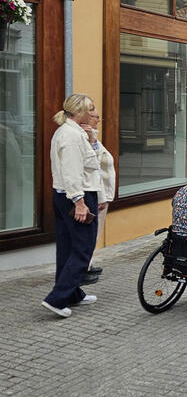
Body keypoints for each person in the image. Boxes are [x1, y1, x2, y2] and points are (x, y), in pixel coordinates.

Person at [41, 94, 103, 318]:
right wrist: (79, 202)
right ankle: (56, 299)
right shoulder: (70, 136)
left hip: (66, 195)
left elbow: (91, 163)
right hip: (77, 196)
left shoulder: (74, 133)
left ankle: (72, 293)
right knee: (83, 248)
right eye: (91, 109)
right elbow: (71, 171)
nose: (94, 113)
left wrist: (91, 138)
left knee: (67, 247)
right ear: (80, 112)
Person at [85, 110, 116, 283]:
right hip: (97, 193)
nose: (99, 119)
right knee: (92, 233)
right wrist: (101, 197)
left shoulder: (92, 136)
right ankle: (84, 267)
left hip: (101, 192)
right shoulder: (85, 136)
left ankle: (88, 263)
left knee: (94, 233)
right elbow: (93, 167)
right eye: (96, 116)